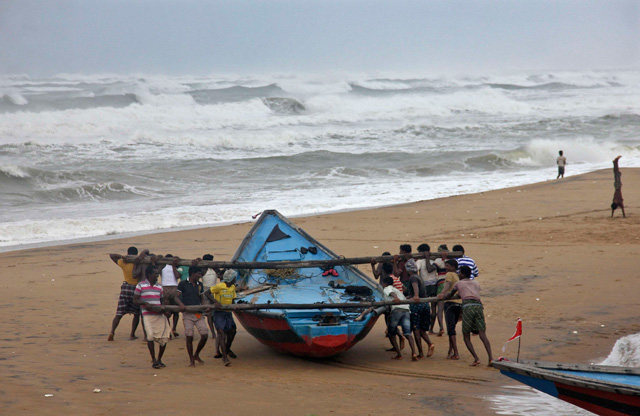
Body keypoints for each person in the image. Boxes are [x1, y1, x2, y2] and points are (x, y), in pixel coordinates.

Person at [452, 266, 493, 367]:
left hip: (468, 307)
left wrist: (442, 296)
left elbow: (450, 294)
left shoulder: (458, 283)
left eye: (459, 273)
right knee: (482, 334)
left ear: (463, 274)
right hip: (478, 307)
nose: (458, 274)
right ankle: (491, 358)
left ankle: (476, 358)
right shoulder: (476, 283)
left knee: (466, 336)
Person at [134, 265, 171, 369]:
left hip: (159, 314)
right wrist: (144, 303)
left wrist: (164, 310)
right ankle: (153, 359)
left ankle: (159, 359)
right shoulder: (140, 285)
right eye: (155, 274)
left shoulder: (160, 287)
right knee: (150, 336)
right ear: (149, 274)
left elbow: (162, 301)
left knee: (164, 338)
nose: (157, 276)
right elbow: (135, 300)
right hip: (147, 314)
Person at [107, 247, 146, 341]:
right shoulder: (139, 262)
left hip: (126, 288)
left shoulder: (124, 262)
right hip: (136, 289)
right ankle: (132, 334)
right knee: (136, 314)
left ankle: (112, 331)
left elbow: (112, 255)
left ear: (128, 253)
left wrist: (122, 257)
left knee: (119, 313)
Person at [176, 267, 209, 367]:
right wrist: (181, 304)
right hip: (188, 314)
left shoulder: (200, 285)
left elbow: (202, 298)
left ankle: (196, 354)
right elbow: (176, 296)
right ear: (192, 274)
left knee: (204, 334)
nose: (200, 276)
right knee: (189, 336)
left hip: (198, 313)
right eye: (198, 274)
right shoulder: (182, 284)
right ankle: (191, 359)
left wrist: (204, 307)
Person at [381, 275, 418, 361]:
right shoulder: (398, 290)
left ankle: (399, 354)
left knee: (391, 333)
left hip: (397, 310)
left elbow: (390, 293)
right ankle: (414, 353)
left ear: (385, 284)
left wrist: (395, 298)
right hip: (406, 310)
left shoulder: (387, 288)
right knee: (408, 333)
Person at [206, 269, 238, 366]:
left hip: (228, 313)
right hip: (219, 313)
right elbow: (207, 293)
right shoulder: (219, 286)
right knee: (221, 333)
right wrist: (215, 302)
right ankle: (225, 357)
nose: (235, 279)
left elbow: (232, 299)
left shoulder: (232, 287)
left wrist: (235, 306)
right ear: (231, 279)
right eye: (234, 278)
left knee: (233, 331)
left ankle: (227, 349)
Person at [405, 260, 435, 359]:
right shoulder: (420, 277)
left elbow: (415, 287)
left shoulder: (413, 277)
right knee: (422, 330)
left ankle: (421, 353)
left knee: (416, 329)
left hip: (417, 306)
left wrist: (416, 296)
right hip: (425, 304)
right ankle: (430, 344)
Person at [437, 259, 462, 360]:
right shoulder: (457, 276)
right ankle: (450, 350)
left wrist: (442, 293)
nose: (445, 268)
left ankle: (455, 352)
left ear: (452, 267)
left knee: (451, 330)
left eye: (447, 266)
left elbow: (447, 284)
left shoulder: (449, 274)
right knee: (452, 328)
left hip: (450, 304)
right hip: (459, 304)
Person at [416, 243, 442, 336]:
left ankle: (423, 327)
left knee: (424, 307)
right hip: (434, 284)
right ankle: (431, 329)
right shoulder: (434, 260)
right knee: (433, 307)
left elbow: (415, 270)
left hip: (424, 286)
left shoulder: (420, 261)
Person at [198, 254, 221, 339]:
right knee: (208, 313)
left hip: (214, 290)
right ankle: (213, 332)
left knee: (215, 312)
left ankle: (216, 330)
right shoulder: (203, 269)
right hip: (205, 290)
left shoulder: (214, 268)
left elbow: (220, 275)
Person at [160, 254, 182, 338]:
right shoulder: (162, 266)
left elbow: (177, 276)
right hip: (165, 288)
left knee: (176, 311)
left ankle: (174, 329)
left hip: (174, 288)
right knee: (167, 311)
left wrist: (174, 265)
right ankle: (168, 330)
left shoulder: (176, 267)